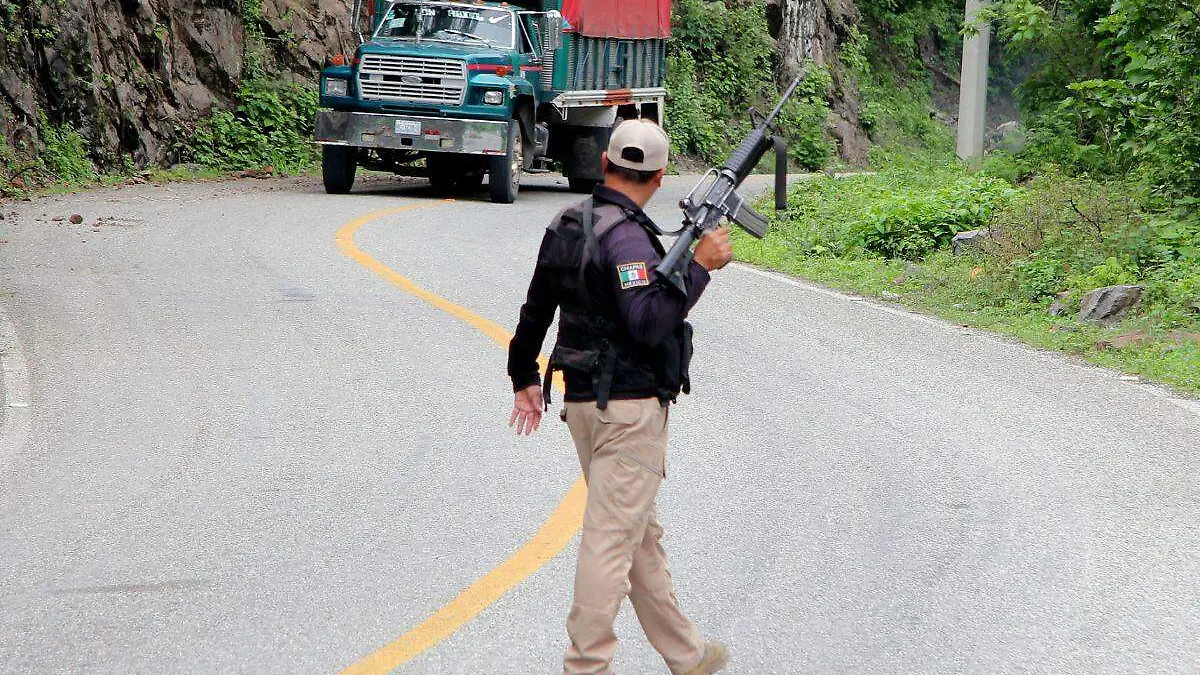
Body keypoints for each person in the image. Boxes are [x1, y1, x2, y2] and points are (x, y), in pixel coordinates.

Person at [505, 118, 733, 675]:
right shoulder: (628, 238)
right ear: (658, 179)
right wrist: (700, 268)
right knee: (611, 539)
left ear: (604, 164)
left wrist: (523, 378)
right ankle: (586, 665)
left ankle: (689, 655)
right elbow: (648, 323)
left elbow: (535, 311)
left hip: (582, 405)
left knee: (637, 536)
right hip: (628, 413)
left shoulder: (565, 222)